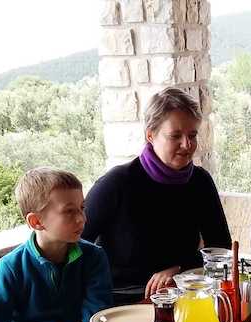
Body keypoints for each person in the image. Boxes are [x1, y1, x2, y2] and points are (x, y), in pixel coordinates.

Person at [83, 87, 231, 303]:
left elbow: (220, 249)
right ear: (150, 135)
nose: (187, 145)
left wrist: (180, 269)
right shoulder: (116, 183)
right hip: (123, 302)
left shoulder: (200, 182)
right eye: (175, 136)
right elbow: (75, 244)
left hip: (182, 294)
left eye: (192, 135)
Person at [0, 168, 112, 322]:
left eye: (82, 208)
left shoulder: (93, 257)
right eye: (69, 211)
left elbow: (96, 317)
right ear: (36, 221)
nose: (82, 219)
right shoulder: (11, 268)